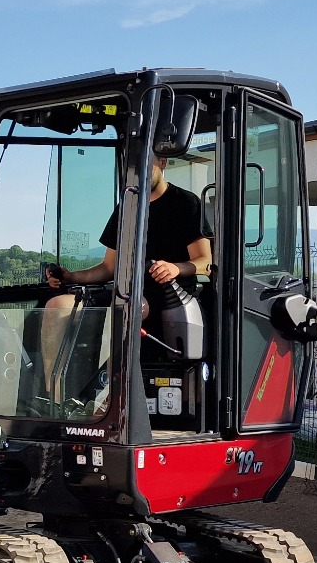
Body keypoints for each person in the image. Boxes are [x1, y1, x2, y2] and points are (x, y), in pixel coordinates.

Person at [38, 149, 212, 402]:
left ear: (162, 163)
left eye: (147, 165)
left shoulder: (186, 203)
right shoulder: (127, 207)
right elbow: (108, 267)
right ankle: (54, 400)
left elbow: (205, 262)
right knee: (57, 306)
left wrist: (175, 268)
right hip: (126, 290)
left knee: (128, 310)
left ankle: (107, 398)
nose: (140, 172)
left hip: (167, 295)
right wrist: (69, 276)